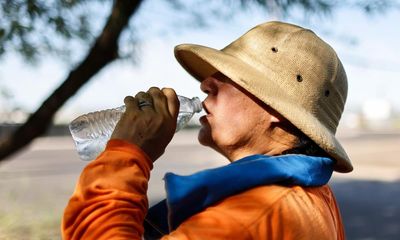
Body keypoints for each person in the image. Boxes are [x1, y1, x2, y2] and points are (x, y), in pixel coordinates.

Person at [62, 21, 353, 239]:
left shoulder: (251, 217)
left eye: (230, 77)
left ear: (277, 111)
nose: (205, 84)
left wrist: (127, 155)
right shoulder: (309, 195)